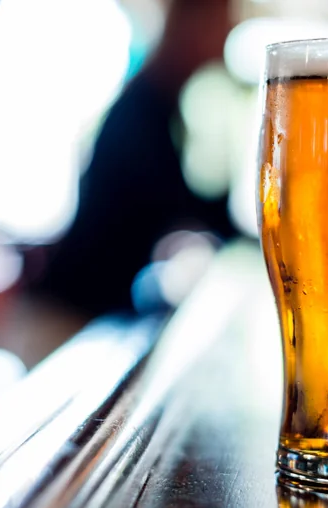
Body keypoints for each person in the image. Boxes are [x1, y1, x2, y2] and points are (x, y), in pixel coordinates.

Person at [31, 0, 237, 318]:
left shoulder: (158, 102)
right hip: (68, 311)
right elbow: (173, 204)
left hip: (91, 307)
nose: (228, 32)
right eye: (221, 22)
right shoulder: (142, 108)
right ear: (191, 26)